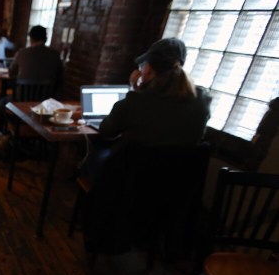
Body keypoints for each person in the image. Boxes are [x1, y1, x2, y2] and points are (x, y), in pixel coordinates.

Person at [87, 37, 212, 179]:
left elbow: (106, 130)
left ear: (150, 70)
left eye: (144, 64)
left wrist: (135, 90)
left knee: (94, 151)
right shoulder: (202, 100)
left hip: (130, 182)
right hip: (175, 184)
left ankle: (92, 199)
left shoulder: (135, 101)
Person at [9, 25, 63, 96]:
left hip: (21, 99)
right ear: (46, 39)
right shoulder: (55, 55)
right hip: (46, 101)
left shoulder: (22, 53)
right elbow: (60, 78)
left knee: (3, 101)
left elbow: (11, 73)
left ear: (31, 38)